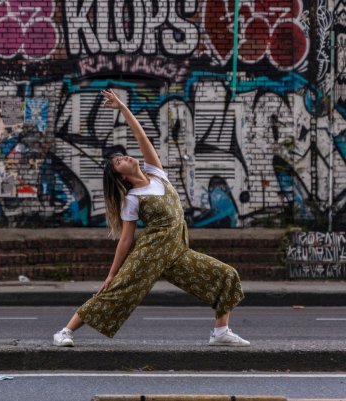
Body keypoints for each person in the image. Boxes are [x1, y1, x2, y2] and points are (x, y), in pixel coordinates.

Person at [52, 89, 249, 347]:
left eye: (121, 156)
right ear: (121, 176)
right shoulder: (133, 199)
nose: (123, 157)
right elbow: (126, 239)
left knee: (226, 275)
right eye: (118, 162)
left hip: (177, 252)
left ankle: (220, 332)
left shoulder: (157, 174)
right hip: (149, 254)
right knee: (117, 293)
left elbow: (141, 135)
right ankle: (65, 331)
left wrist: (122, 107)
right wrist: (112, 274)